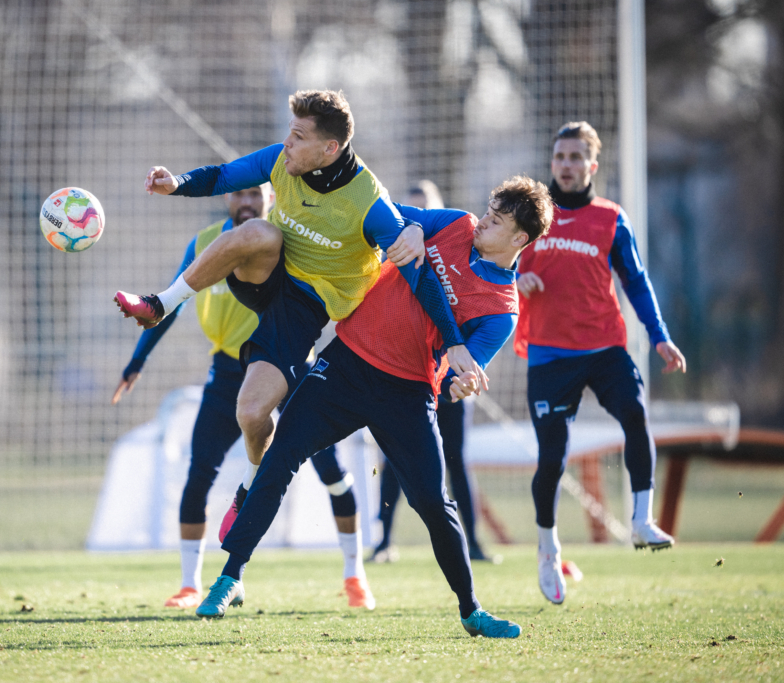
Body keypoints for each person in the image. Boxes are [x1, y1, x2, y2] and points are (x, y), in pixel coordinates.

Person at [195, 176, 554, 641]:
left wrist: (462, 384)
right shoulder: (458, 225)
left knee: (432, 501)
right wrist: (411, 230)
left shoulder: (502, 309)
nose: (484, 220)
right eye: (490, 211)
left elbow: (462, 373)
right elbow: (382, 212)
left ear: (520, 238)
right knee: (281, 455)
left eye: (498, 220)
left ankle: (471, 610)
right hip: (345, 364)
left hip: (406, 394)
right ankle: (230, 577)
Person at [115, 90, 485, 540]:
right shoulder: (282, 160)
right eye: (289, 133)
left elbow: (422, 277)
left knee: (252, 415)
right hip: (267, 273)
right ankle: (160, 304)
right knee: (257, 230)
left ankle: (249, 488)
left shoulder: (368, 201)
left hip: (303, 311)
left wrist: (454, 341)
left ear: (330, 149)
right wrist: (177, 183)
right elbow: (225, 176)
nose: (287, 143)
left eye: (298, 136)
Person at [112, 183, 375, 610]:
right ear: (227, 200)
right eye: (239, 194)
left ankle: (354, 574)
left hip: (291, 367)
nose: (247, 201)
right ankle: (189, 584)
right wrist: (137, 361)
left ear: (271, 199)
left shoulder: (283, 239)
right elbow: (172, 303)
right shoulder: (205, 244)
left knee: (333, 473)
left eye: (256, 193)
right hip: (228, 370)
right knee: (199, 475)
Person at [514, 121, 687, 606]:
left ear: (592, 165)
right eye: (559, 157)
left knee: (635, 415)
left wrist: (660, 338)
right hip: (549, 354)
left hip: (606, 347)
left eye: (575, 158)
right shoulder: (528, 217)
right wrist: (515, 283)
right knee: (552, 459)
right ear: (552, 163)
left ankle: (640, 520)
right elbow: (492, 267)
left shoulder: (612, 219)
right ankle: (548, 550)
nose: (566, 165)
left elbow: (636, 282)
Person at [371, 180, 494, 564]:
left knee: (455, 458)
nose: (413, 223)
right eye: (410, 212)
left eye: (421, 210)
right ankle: (383, 541)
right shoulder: (399, 252)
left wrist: (468, 367)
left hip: (447, 371)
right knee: (392, 457)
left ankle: (472, 542)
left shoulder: (459, 248)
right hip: (406, 367)